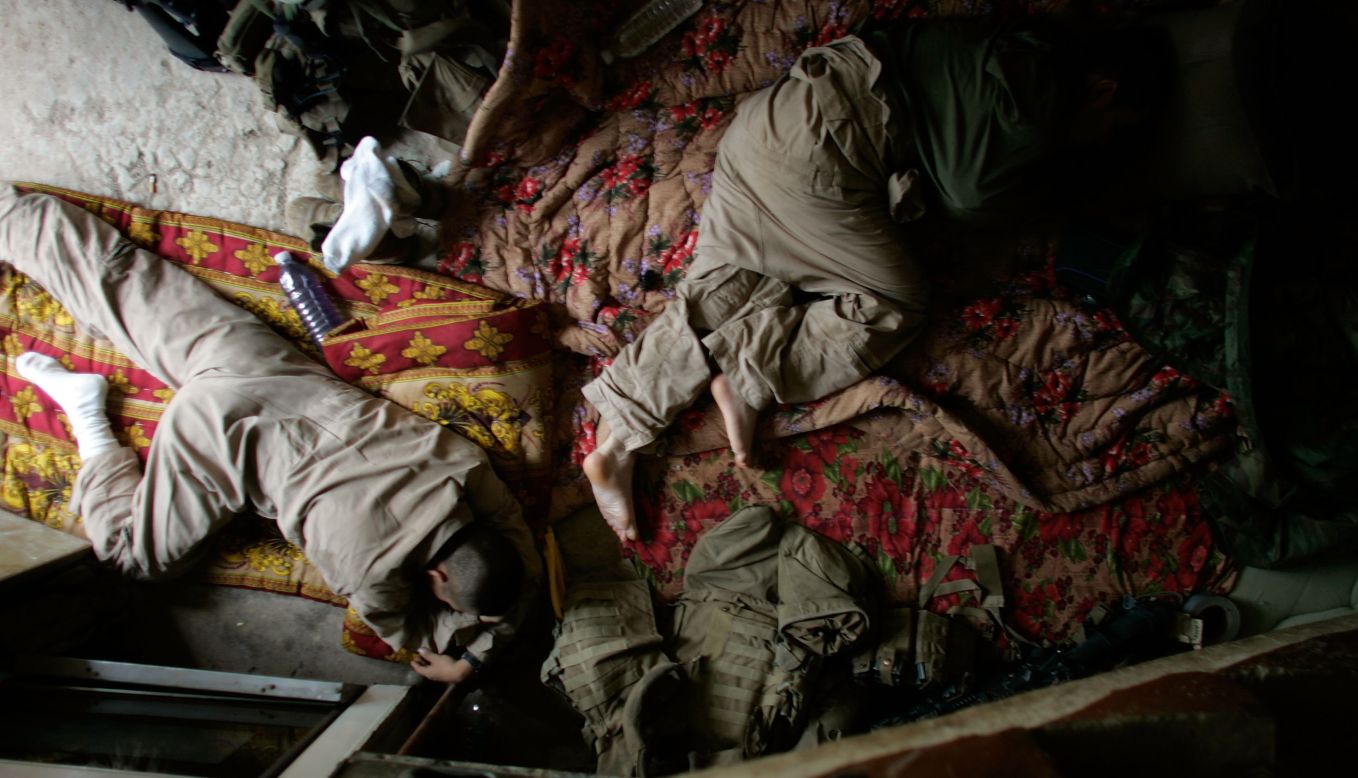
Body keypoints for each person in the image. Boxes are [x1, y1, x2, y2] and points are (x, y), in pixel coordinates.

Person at [581, 20, 1171, 542]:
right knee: (891, 302)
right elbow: (970, 196)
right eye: (1115, 126)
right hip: (823, 154)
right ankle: (749, 374)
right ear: (1103, 90)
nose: (1107, 140)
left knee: (728, 285)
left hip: (763, 133)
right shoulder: (1038, 100)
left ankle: (613, 443)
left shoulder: (1018, 42)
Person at [0, 183, 542, 684]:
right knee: (132, 560)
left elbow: (517, 538)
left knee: (121, 283)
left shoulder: (464, 466)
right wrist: (474, 655)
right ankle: (86, 414)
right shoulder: (371, 575)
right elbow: (414, 636)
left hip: (265, 369)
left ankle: (13, 216)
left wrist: (495, 590)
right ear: (435, 579)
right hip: (215, 437)